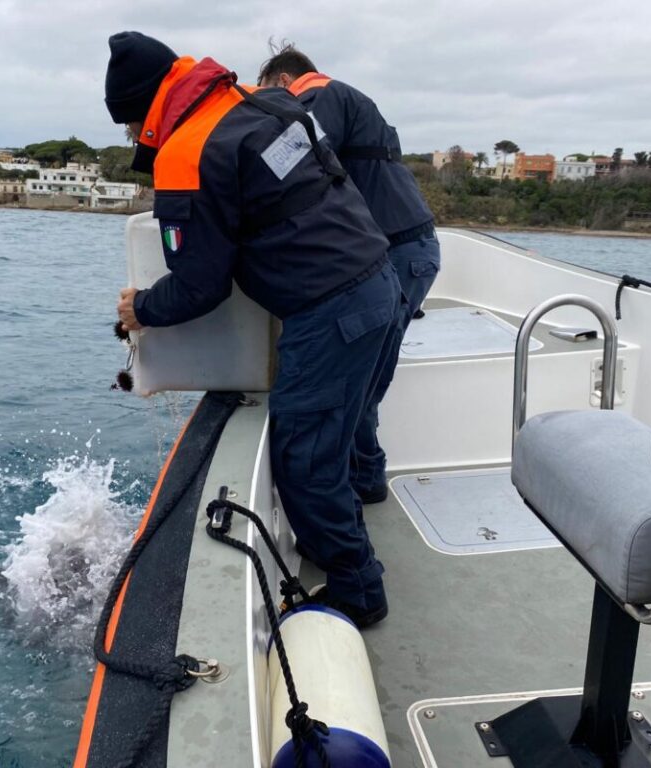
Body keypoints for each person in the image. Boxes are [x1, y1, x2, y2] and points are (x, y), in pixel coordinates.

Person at [105, 31, 402, 627]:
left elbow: (200, 284)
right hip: (379, 280)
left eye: (129, 126)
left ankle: (358, 591)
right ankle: (331, 548)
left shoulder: (186, 151)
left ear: (141, 113)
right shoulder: (261, 102)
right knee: (331, 442)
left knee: (304, 458)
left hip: (332, 311)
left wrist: (142, 308)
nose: (134, 137)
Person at [259, 44, 440, 504]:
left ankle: (363, 480)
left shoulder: (320, 94)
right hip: (404, 251)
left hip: (397, 254)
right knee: (362, 376)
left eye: (270, 97)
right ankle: (364, 477)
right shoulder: (348, 101)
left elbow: (295, 157)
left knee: (361, 379)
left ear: (284, 82)